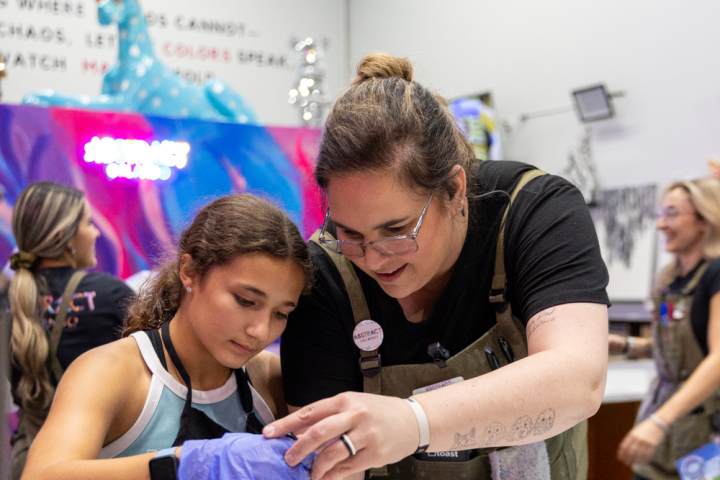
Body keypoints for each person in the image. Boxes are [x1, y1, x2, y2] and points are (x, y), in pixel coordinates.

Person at [264, 53, 610, 480]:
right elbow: (331, 462)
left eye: (397, 229)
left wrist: (414, 422)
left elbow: (578, 379)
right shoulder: (325, 275)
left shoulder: (532, 210)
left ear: (454, 189)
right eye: (350, 233)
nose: (373, 258)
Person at [21, 194, 316, 480]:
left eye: (281, 313)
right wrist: (188, 464)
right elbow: (41, 475)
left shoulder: (271, 380)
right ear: (189, 272)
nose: (261, 331)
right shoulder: (110, 372)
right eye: (245, 300)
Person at [8, 182, 135, 480]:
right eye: (88, 223)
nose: (96, 233)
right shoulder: (111, 295)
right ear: (65, 237)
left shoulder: (8, 298)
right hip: (96, 463)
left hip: (27, 463)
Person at [609, 178, 720, 480]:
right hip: (664, 437)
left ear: (703, 219)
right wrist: (625, 345)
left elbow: (717, 359)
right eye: (661, 214)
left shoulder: (715, 274)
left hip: (702, 436)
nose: (661, 225)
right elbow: (679, 350)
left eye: (672, 213)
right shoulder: (671, 279)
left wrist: (660, 421)